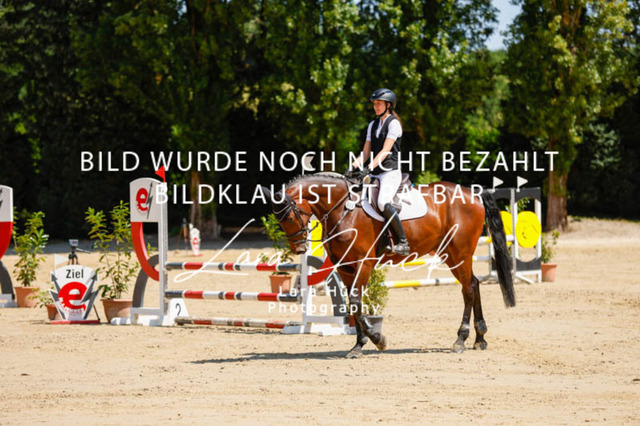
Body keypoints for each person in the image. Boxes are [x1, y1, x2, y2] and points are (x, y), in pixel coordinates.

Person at [347, 88, 410, 256]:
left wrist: (368, 168)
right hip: (375, 173)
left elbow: (385, 150)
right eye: (374, 103)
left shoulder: (394, 124)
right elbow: (365, 152)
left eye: (379, 103)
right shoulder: (372, 125)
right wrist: (353, 166)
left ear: (388, 105)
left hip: (390, 172)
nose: (375, 106)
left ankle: (402, 241)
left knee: (382, 202)